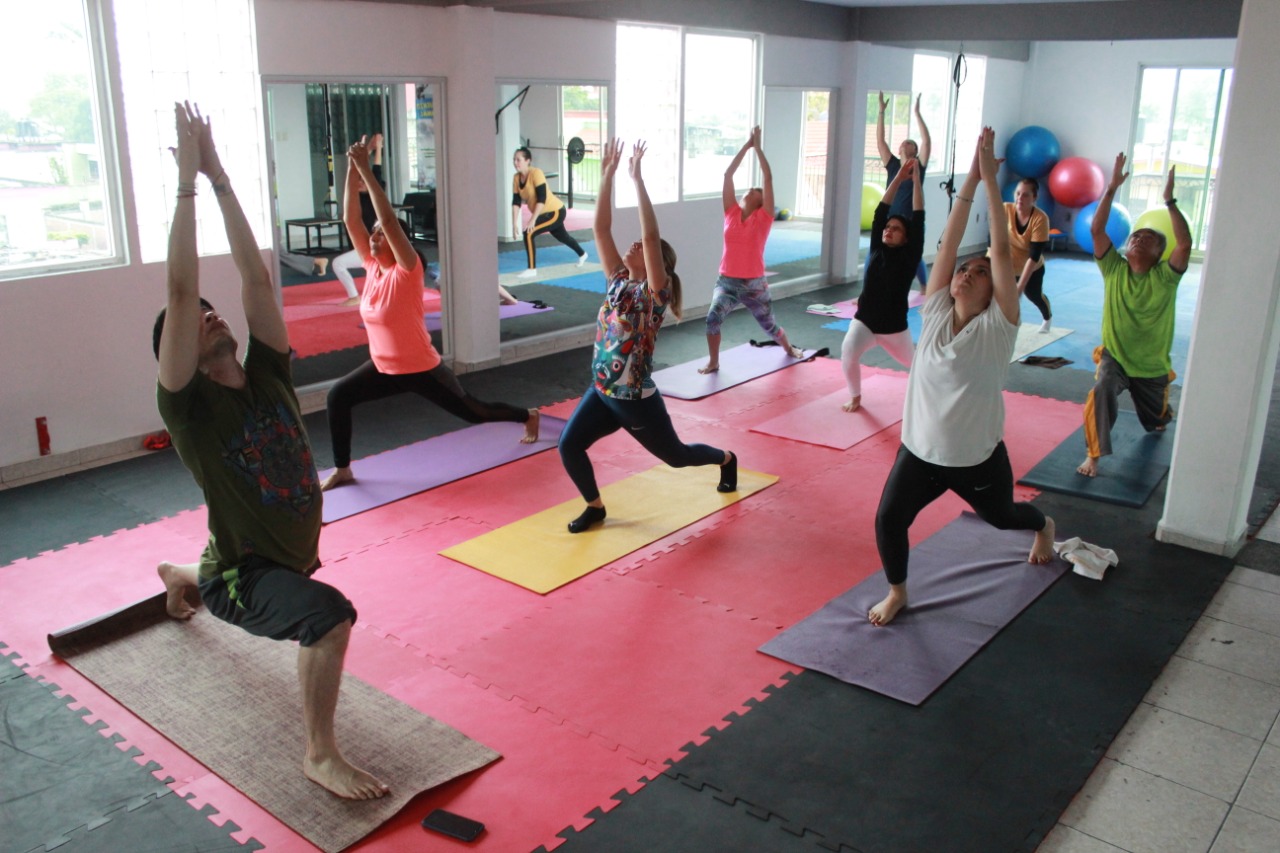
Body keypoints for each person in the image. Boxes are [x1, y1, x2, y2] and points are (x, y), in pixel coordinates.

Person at [152, 102, 387, 799]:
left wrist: (223, 176)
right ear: (179, 356)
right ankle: (319, 753)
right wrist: (187, 184)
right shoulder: (189, 407)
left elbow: (257, 279)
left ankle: (177, 572)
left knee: (231, 562)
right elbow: (179, 285)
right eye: (196, 320)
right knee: (329, 615)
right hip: (246, 576)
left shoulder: (267, 372)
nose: (210, 312)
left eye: (210, 310)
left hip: (265, 552)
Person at [869, 128, 1055, 627]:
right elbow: (948, 241)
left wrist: (991, 182)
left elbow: (998, 245)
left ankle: (1045, 527)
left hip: (976, 458)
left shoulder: (999, 326)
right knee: (888, 520)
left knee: (1005, 517)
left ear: (994, 291)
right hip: (919, 451)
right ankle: (898, 592)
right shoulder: (933, 311)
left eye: (977, 272)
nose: (964, 273)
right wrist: (970, 179)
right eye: (961, 270)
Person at [321, 135, 539, 491]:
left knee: (474, 412)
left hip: (421, 368)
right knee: (337, 395)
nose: (372, 239)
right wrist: (350, 169)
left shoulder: (407, 271)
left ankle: (527, 415)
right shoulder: (372, 267)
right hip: (383, 367)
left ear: (395, 241)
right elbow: (350, 218)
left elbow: (389, 221)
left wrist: (366, 169)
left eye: (379, 235)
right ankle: (343, 469)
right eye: (372, 236)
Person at [558, 139, 737, 533]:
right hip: (602, 391)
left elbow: (652, 238)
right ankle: (596, 507)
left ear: (659, 264)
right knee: (568, 446)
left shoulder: (654, 295)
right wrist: (606, 174)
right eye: (633, 244)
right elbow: (600, 227)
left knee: (676, 457)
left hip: (636, 401)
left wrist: (638, 180)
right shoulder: (617, 281)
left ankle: (726, 459)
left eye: (640, 247)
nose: (633, 244)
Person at [1076, 155, 1191, 478]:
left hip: (1152, 366)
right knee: (1101, 389)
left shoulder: (1166, 277)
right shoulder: (1113, 268)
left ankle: (1161, 412)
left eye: (1149, 239)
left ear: (1159, 254)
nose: (1139, 239)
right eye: (1135, 236)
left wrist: (1169, 201)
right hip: (1116, 357)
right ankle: (1094, 456)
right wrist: (1111, 188)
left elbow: (1185, 243)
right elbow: (1097, 228)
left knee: (1156, 424)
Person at [698, 126, 804, 374]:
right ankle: (714, 361)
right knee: (713, 318)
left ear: (761, 200)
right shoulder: (731, 213)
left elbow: (768, 178)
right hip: (727, 281)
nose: (751, 190)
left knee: (769, 326)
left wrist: (758, 148)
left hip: (755, 283)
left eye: (756, 191)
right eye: (751, 189)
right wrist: (746, 146)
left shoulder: (764, 218)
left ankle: (788, 348)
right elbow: (727, 175)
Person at [840, 157, 924, 412]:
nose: (888, 230)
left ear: (906, 237)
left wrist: (917, 181)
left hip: (894, 329)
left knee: (919, 367)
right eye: (887, 227)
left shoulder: (910, 256)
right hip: (865, 320)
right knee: (848, 353)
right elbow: (881, 211)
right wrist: (898, 178)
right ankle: (855, 396)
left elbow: (919, 217)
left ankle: (927, 401)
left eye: (896, 229)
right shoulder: (876, 247)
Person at [876, 92, 932, 286]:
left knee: (913, 255)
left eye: (912, 144)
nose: (908, 143)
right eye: (905, 142)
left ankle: (925, 286)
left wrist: (917, 113)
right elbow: (880, 141)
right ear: (899, 148)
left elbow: (926, 142)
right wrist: (881, 112)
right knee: (877, 253)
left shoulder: (918, 166)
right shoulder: (892, 165)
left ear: (915, 152)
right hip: (891, 218)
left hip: (910, 219)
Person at [512, 146, 587, 279]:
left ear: (528, 160)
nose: (515, 162)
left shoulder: (536, 173)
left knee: (528, 233)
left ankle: (531, 269)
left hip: (555, 211)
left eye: (519, 160)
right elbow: (516, 202)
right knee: (563, 237)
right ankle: (582, 254)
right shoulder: (516, 178)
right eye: (514, 160)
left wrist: (532, 220)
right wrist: (514, 224)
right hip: (544, 213)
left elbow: (542, 198)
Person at [328, 132, 386, 305]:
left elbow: (376, 172)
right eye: (358, 182)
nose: (359, 183)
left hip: (369, 247)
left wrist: (379, 150)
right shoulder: (357, 198)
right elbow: (355, 172)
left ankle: (354, 297)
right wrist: (367, 149)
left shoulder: (375, 196)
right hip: (364, 245)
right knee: (371, 272)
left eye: (363, 182)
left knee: (338, 264)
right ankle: (373, 296)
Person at [999, 177, 1053, 332]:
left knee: (1034, 296)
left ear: (1034, 197)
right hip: (1008, 265)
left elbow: (1034, 255)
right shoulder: (1005, 210)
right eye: (1017, 193)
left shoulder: (1040, 219)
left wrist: (1021, 286)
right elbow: (994, 242)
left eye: (1025, 195)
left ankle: (1047, 317)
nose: (1019, 198)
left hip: (1031, 268)